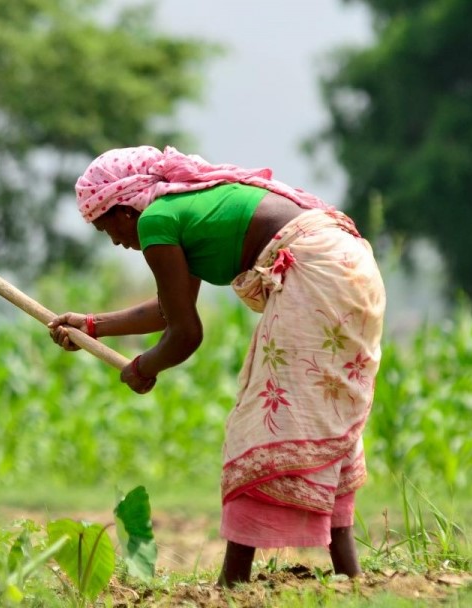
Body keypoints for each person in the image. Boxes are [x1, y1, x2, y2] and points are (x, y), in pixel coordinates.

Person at [47, 145, 385, 587]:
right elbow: (172, 309)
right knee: (322, 414)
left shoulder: (156, 221)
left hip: (315, 274)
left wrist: (143, 367)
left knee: (263, 422)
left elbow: (186, 335)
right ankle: (349, 574)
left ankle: (233, 582)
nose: (114, 239)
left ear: (126, 208)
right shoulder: (180, 211)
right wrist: (93, 325)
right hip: (348, 264)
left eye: (106, 225)